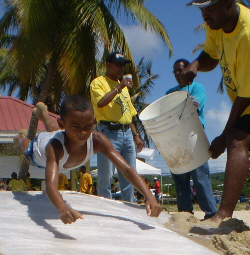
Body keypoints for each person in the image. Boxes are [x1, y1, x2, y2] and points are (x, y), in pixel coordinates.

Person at [13, 94, 162, 224]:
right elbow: (51, 186)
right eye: (76, 126)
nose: (83, 132)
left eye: (88, 126)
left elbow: (127, 169)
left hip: (62, 135)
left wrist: (149, 196)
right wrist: (62, 207)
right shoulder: (54, 148)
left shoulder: (97, 140)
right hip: (39, 152)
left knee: (60, 133)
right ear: (62, 123)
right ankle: (19, 137)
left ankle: (44, 114)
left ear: (94, 122)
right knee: (27, 149)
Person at [183, 0, 250, 222]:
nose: (204, 14)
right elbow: (211, 55)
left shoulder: (247, 35)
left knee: (236, 138)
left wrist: (222, 136)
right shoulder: (217, 24)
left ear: (229, 3)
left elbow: (245, 97)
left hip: (247, 99)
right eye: (201, 9)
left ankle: (222, 215)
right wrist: (196, 65)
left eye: (210, 8)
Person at [165, 59, 217, 219]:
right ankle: (185, 213)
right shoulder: (169, 92)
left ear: (188, 70)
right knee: (180, 177)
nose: (178, 73)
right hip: (176, 137)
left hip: (194, 135)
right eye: (175, 71)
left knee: (200, 177)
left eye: (180, 70)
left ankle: (210, 212)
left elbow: (194, 105)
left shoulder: (197, 88)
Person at [90, 51, 144, 203]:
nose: (122, 68)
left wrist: (136, 136)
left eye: (124, 65)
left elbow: (129, 114)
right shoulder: (98, 82)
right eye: (119, 65)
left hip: (127, 133)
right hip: (108, 132)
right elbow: (100, 103)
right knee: (106, 176)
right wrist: (119, 87)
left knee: (130, 174)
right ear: (108, 65)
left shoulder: (125, 88)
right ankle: (105, 209)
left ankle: (129, 207)